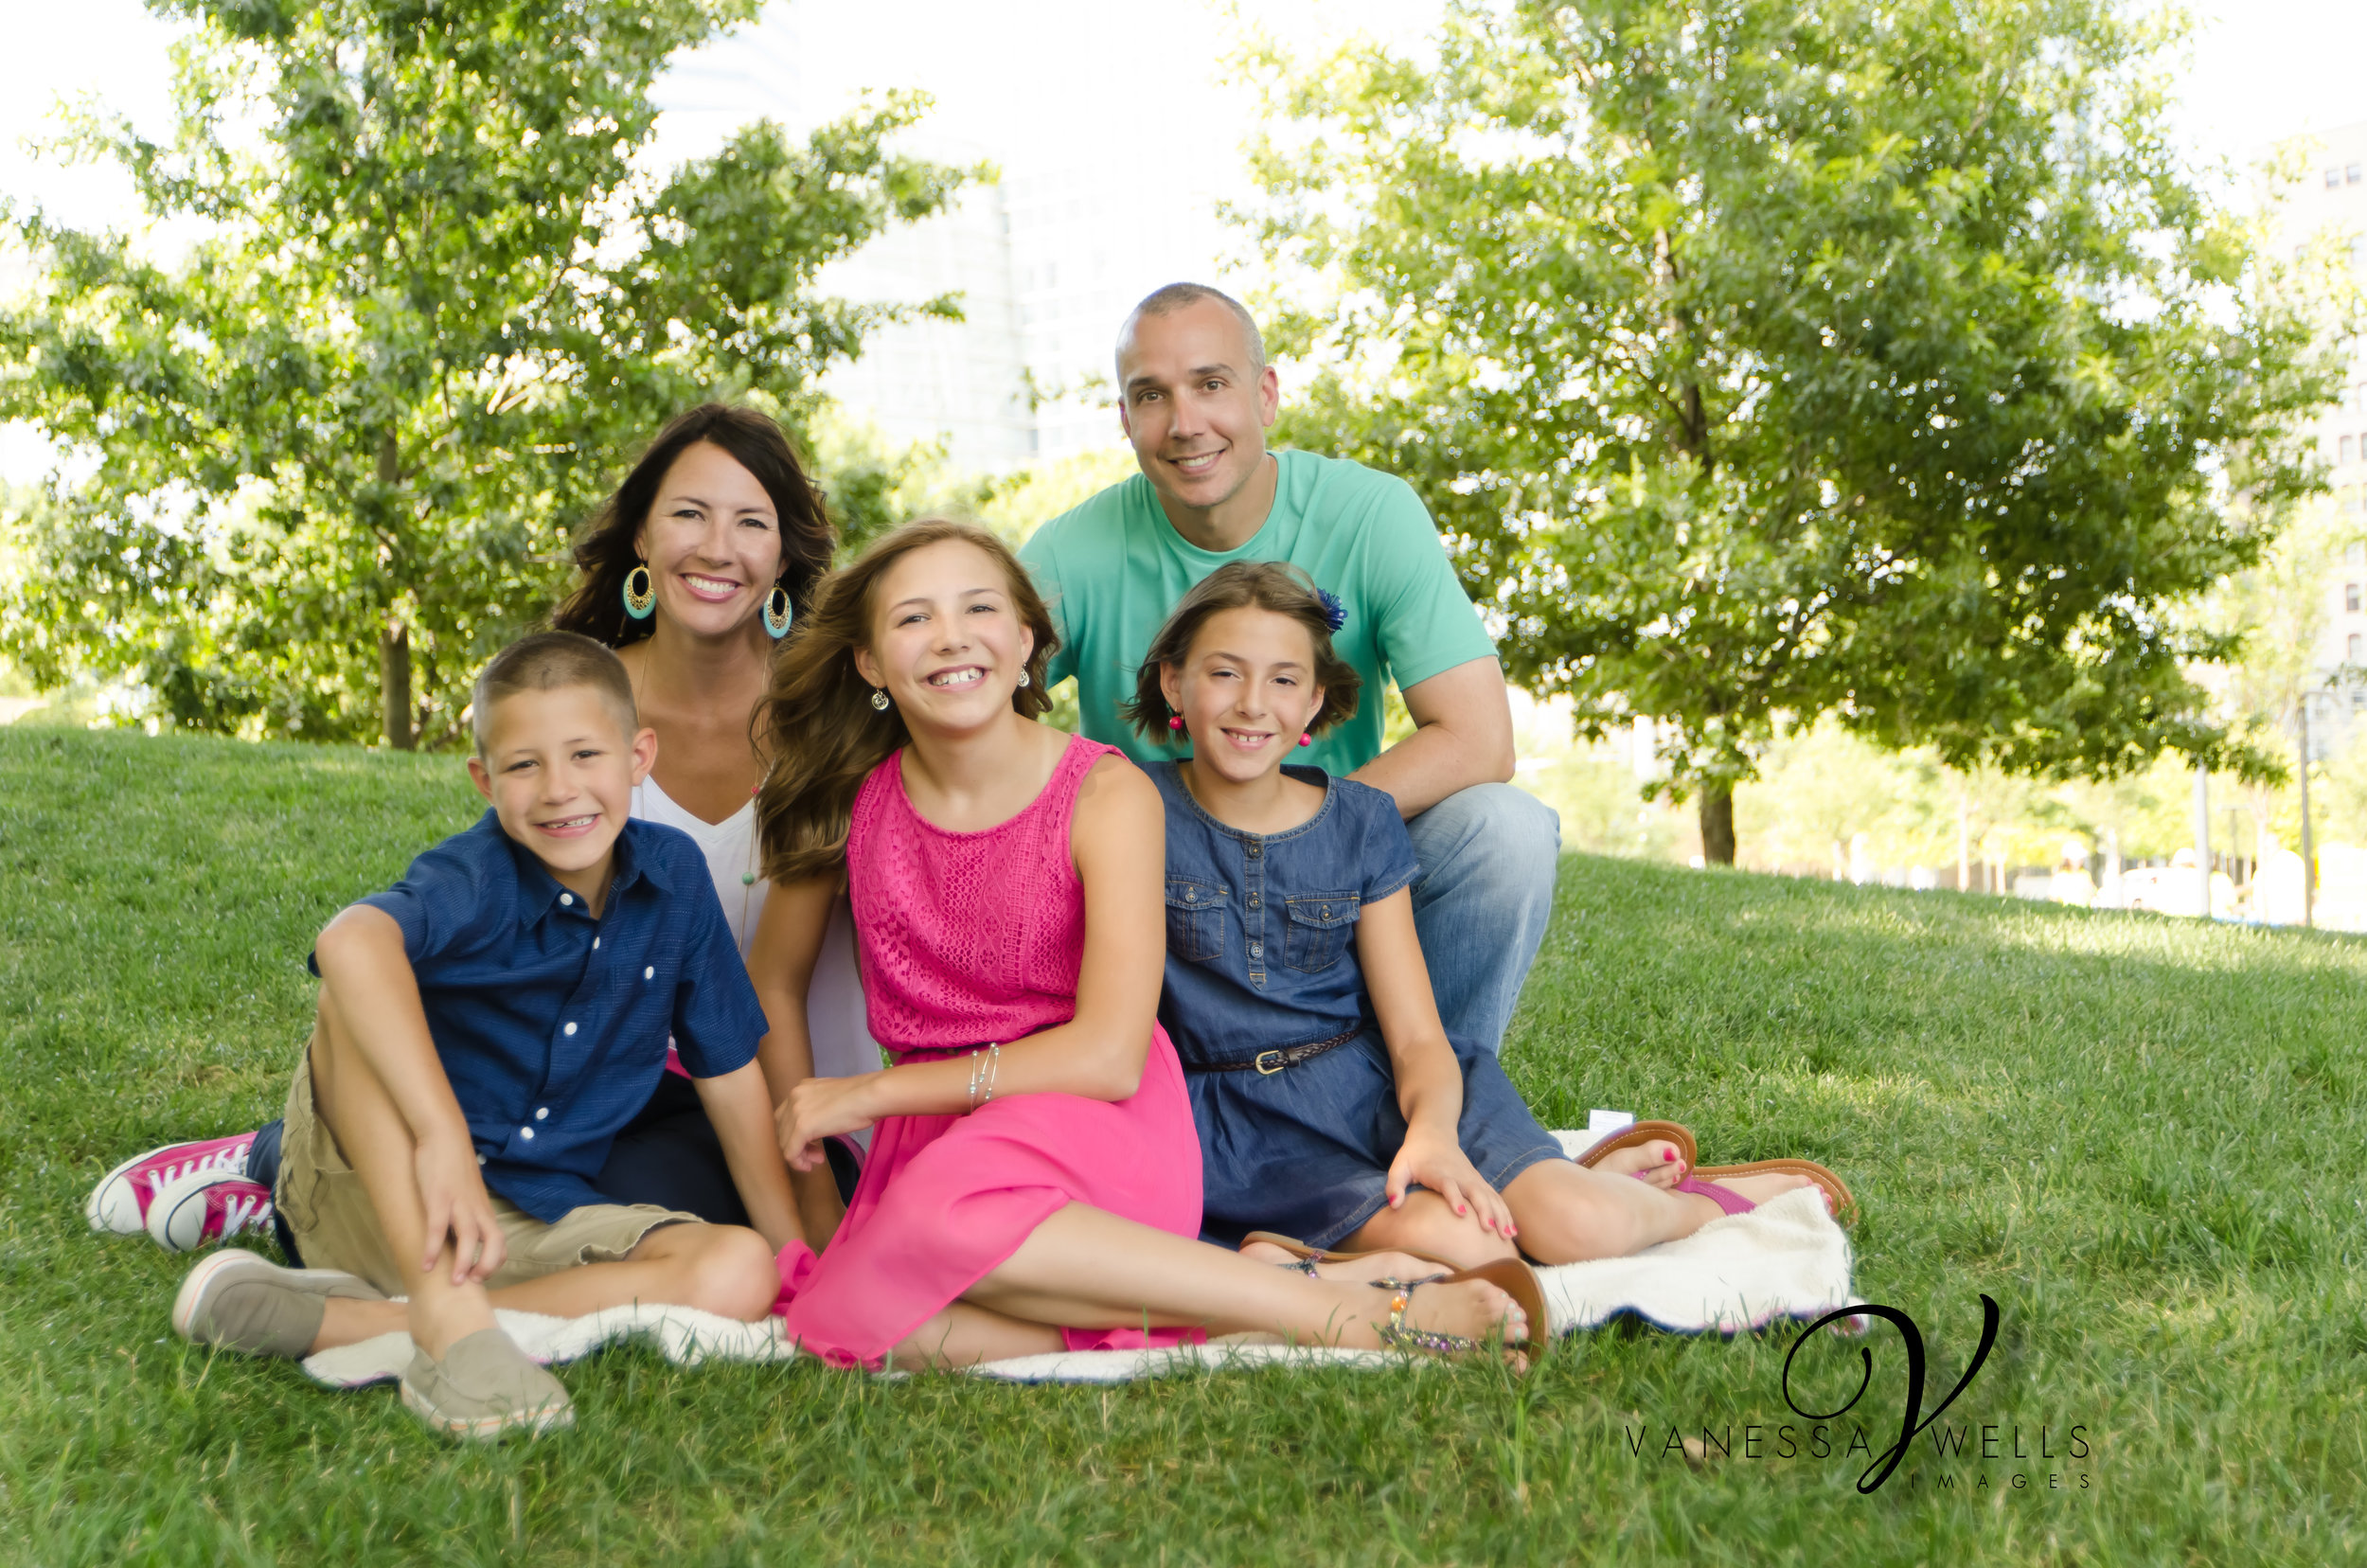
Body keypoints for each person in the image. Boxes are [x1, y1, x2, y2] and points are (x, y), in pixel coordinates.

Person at [749, 519, 1542, 1367]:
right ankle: (1264, 1297)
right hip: (941, 1136)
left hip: (1095, 1119)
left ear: (1024, 642)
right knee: (840, 1324)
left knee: (935, 1224)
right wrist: (817, 1209)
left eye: (978, 608)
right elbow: (773, 985)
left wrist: (867, 1096)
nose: (950, 637)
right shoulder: (851, 803)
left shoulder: (1104, 791)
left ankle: (1356, 1320)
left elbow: (1109, 1056)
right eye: (912, 619)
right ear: (869, 662)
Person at [88, 404, 867, 1252]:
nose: (717, 547)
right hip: (580, 1069)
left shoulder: (835, 716)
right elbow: (515, 915)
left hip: (774, 1075)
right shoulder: (576, 703)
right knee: (559, 1176)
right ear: (642, 537)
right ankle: (286, 1164)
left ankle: (377, 1182)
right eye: (688, 513)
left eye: (750, 521)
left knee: (704, 1205)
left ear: (785, 552)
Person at [1130, 562, 1854, 1267]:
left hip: (1378, 1088)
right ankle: (1316, 1250)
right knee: (1471, 1244)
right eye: (1225, 672)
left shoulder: (1361, 819)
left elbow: (1415, 1036)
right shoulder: (1127, 806)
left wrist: (1434, 1134)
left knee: (1576, 1227)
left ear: (1314, 701)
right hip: (1237, 1132)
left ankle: (1700, 1204)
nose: (1253, 703)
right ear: (1174, 682)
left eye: (1284, 680)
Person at [169, 633, 793, 1440]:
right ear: (484, 779)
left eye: (584, 755)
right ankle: (451, 1328)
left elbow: (729, 1070)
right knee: (354, 990)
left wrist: (795, 1256)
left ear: (640, 756)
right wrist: (440, 1139)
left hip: (526, 1216)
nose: (559, 789)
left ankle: (371, 1324)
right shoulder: (475, 875)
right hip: (381, 1195)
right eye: (524, 765)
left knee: (740, 1269)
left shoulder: (673, 877)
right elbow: (349, 943)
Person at [1019, 282, 1561, 1060]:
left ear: (1265, 394)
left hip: (1341, 869)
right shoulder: (1074, 550)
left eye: (1211, 384)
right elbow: (975, 691)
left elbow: (1480, 741)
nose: (1185, 423)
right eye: (1151, 396)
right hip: (1162, 900)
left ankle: (1451, 1098)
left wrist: (1299, 829)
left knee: (1506, 832)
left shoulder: (1371, 512)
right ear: (1125, 419)